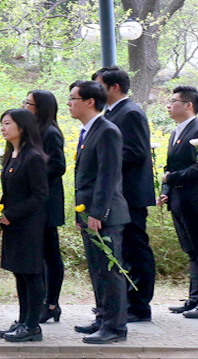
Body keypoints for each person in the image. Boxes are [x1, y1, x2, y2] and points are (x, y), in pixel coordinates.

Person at [91, 67, 156, 323]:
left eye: (100, 86)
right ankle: (122, 302)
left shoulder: (130, 113)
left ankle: (139, 305)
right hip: (119, 194)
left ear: (114, 87)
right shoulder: (111, 113)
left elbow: (137, 153)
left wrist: (103, 161)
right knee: (122, 251)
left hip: (130, 194)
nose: (96, 92)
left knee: (135, 249)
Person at [67, 80, 129, 344]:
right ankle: (103, 317)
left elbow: (108, 175)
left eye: (73, 98)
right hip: (89, 212)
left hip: (105, 214)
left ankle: (115, 327)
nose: (69, 103)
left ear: (90, 102)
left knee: (110, 269)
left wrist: (98, 212)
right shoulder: (88, 131)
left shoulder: (107, 130)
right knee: (97, 269)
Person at [157, 86, 198, 319]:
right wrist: (166, 190)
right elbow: (170, 167)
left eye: (173, 101)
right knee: (192, 252)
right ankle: (195, 298)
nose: (168, 105)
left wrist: (172, 178)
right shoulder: (176, 132)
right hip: (179, 200)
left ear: (188, 105)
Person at [0, 108, 49, 343]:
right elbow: (9, 191)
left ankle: (33, 325)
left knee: (31, 273)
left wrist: (11, 214)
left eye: (7, 123)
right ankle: (23, 320)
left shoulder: (33, 156)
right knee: (19, 273)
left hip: (29, 224)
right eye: (2, 123)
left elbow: (40, 195)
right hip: (13, 223)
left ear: (22, 126)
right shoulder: (11, 154)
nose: (3, 128)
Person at [21, 90, 66, 324]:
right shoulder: (32, 131)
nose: (24, 106)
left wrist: (31, 175)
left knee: (50, 254)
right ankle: (40, 302)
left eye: (28, 103)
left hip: (47, 202)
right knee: (37, 254)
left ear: (40, 108)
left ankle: (51, 303)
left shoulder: (50, 132)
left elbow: (58, 166)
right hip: (33, 202)